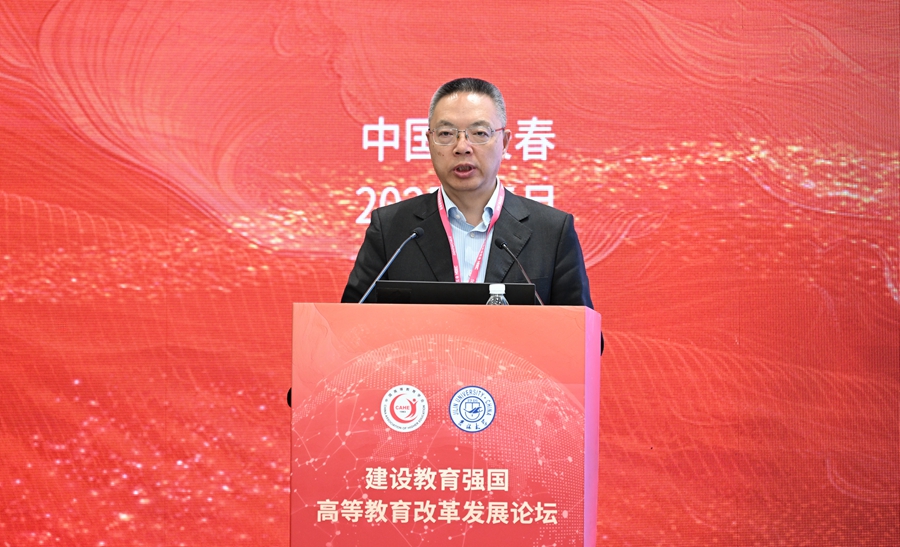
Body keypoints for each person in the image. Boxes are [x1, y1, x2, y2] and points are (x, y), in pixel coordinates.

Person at [341, 77, 593, 308]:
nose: (462, 147)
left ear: (504, 142)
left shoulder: (552, 232)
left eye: (479, 133)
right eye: (446, 134)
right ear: (429, 142)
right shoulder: (391, 230)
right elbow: (349, 326)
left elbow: (582, 335)